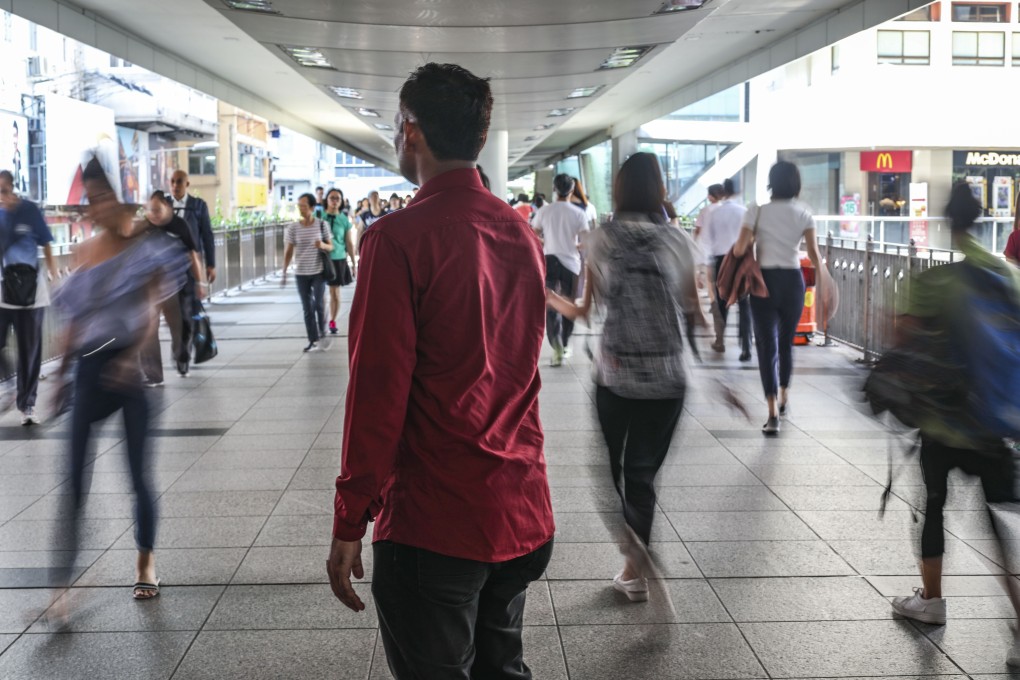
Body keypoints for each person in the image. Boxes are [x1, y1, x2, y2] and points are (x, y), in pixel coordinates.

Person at [326, 62, 554, 680]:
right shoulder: (520, 233)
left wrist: (351, 516)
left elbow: (378, 394)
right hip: (520, 509)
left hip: (435, 522)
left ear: (410, 130)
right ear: (480, 139)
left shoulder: (395, 239)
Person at [546, 152, 703, 602]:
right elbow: (693, 310)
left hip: (615, 373)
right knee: (643, 474)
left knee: (609, 469)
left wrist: (549, 299)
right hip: (669, 376)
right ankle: (635, 570)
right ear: (659, 189)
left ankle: (631, 549)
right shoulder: (677, 240)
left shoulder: (600, 239)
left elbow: (584, 310)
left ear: (618, 189)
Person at [888, 183, 1020, 667]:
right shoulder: (1006, 276)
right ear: (983, 219)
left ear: (948, 221)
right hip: (992, 421)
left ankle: (932, 599)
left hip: (943, 421)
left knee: (934, 506)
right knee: (996, 524)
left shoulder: (934, 281)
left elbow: (902, 338)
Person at [51, 156, 189, 602]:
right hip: (90, 372)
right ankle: (62, 583)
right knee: (73, 476)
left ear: (116, 199)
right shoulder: (84, 251)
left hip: (127, 370)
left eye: (101, 198)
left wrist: (133, 356)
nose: (95, 208)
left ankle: (146, 561)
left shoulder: (144, 247)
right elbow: (74, 319)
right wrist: (61, 375)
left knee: (138, 474)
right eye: (89, 201)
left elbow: (151, 312)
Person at [732, 161, 826, 434]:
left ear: (771, 182)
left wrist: (753, 241)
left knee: (766, 346)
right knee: (786, 343)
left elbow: (739, 249)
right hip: (793, 282)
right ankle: (784, 393)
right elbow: (814, 255)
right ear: (796, 184)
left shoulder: (756, 211)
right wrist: (827, 283)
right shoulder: (804, 213)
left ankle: (772, 411)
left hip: (764, 282)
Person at [0, 169, 58, 424]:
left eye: (3, 189)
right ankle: (11, 386)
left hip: (33, 294)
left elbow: (46, 242)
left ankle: (28, 405)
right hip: (3, 292)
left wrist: (54, 275)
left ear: (13, 188)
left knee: (29, 351)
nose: (1, 195)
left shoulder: (30, 210)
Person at [139, 191, 207, 386]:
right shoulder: (144, 227)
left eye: (157, 210)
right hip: (152, 288)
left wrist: (200, 282)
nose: (154, 214)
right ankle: (153, 374)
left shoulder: (180, 225)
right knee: (148, 330)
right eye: (150, 211)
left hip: (180, 285)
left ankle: (182, 357)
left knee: (182, 326)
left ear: (167, 207)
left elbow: (192, 255)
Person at [532, 173, 589, 366]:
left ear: (555, 189)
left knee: (551, 305)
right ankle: (565, 345)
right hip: (571, 264)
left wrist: (547, 242)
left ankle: (556, 346)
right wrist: (573, 245)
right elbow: (585, 241)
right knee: (569, 305)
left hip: (549, 261)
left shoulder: (545, 211)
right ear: (572, 190)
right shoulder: (578, 213)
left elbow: (533, 234)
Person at [707, 178, 752, 360]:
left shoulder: (715, 213)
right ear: (738, 192)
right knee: (744, 304)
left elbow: (709, 240)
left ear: (724, 191)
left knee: (721, 302)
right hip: (740, 260)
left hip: (721, 260)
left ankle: (720, 340)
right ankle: (746, 347)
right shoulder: (745, 212)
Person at [281, 193, 332, 352]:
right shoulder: (293, 228)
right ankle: (312, 339)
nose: (301, 209)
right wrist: (284, 271)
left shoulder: (322, 225)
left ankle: (323, 331)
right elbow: (289, 251)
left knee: (318, 304)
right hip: (301, 273)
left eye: (303, 205)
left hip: (318, 271)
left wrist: (322, 245)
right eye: (299, 205)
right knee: (307, 308)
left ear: (311, 207)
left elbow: (331, 247)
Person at [694, 184, 726, 349]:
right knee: (716, 289)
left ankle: (711, 320)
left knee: (708, 287)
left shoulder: (705, 211)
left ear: (710, 196)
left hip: (705, 251)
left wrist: (694, 242)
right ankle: (716, 312)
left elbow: (697, 230)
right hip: (721, 253)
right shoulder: (725, 210)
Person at [324, 188, 356, 335]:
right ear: (327, 200)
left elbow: (349, 243)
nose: (335, 201)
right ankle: (321, 319)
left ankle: (332, 320)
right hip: (320, 260)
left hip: (337, 259)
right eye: (332, 198)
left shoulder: (344, 219)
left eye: (338, 198)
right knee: (319, 293)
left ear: (342, 201)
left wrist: (353, 264)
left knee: (334, 292)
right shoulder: (319, 216)